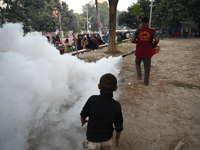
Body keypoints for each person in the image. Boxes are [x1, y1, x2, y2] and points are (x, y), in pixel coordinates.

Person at [80, 73, 124, 150]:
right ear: (116, 88)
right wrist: (117, 139)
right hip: (107, 141)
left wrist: (83, 121)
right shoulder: (116, 105)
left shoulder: (92, 100)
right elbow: (118, 126)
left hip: (92, 141)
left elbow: (83, 115)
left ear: (99, 86)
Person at [131, 17, 159, 86]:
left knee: (137, 63)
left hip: (139, 52)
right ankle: (146, 82)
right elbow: (157, 40)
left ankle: (139, 75)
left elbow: (132, 40)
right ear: (148, 22)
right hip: (148, 52)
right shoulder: (152, 31)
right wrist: (153, 44)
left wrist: (138, 42)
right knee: (147, 67)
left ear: (142, 23)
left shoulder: (138, 31)